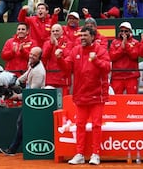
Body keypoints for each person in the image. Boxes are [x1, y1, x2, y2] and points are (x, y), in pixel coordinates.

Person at [56, 26, 111, 165]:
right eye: (81, 36)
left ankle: (96, 154)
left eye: (85, 35)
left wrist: (96, 60)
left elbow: (107, 68)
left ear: (93, 36)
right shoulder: (75, 51)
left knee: (96, 125)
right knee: (80, 125)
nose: (82, 38)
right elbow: (67, 68)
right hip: (81, 94)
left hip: (97, 95)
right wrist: (60, 59)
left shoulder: (100, 50)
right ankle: (79, 154)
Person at [0, 46, 45, 156]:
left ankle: (13, 149)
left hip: (35, 101)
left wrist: (16, 96)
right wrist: (16, 83)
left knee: (22, 123)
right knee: (21, 123)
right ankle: (14, 149)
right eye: (31, 54)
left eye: (34, 55)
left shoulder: (39, 72)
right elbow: (25, 76)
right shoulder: (32, 64)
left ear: (39, 57)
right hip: (29, 96)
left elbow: (32, 93)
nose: (31, 56)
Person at [109, 22, 140, 94]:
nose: (123, 33)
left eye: (126, 31)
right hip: (117, 76)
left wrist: (126, 46)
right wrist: (121, 49)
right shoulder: (114, 42)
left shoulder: (135, 42)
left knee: (133, 100)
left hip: (131, 76)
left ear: (130, 32)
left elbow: (134, 55)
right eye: (122, 31)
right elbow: (111, 57)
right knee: (116, 100)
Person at [42, 24, 73, 95]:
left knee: (63, 103)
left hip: (63, 78)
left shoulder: (69, 43)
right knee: (50, 102)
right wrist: (51, 44)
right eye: (53, 31)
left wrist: (57, 46)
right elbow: (44, 57)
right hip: (50, 78)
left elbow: (68, 56)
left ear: (62, 32)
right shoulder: (47, 43)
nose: (55, 32)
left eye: (57, 31)